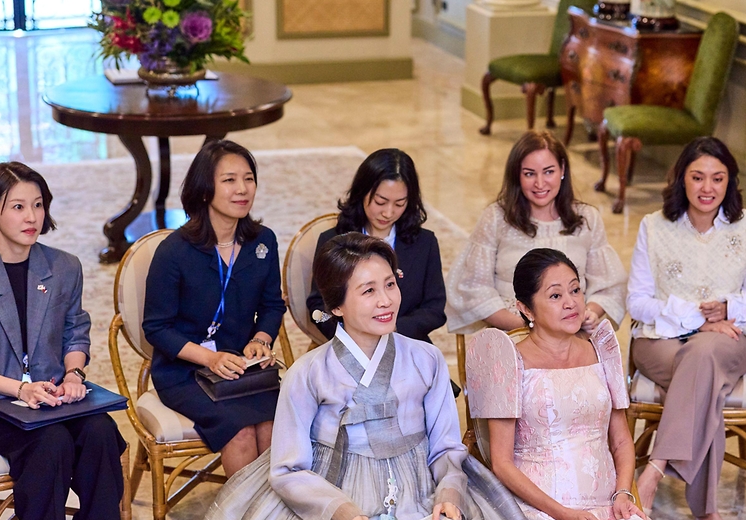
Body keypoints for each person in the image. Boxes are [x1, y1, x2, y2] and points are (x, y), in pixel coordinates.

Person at [173, 233, 559, 520]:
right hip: (336, 496)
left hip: (421, 496)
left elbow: (446, 447)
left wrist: (450, 491)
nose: (386, 300)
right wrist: (338, 512)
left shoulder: (427, 359)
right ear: (337, 306)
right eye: (369, 290)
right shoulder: (308, 373)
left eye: (390, 284)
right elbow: (288, 468)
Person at [466, 248, 691, 520]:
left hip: (607, 500)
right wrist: (566, 515)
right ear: (525, 308)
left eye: (575, 289)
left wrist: (623, 492)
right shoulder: (510, 360)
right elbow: (502, 464)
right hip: (543, 507)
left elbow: (620, 439)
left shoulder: (600, 349)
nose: (571, 303)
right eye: (555, 295)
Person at [0, 163, 126, 520]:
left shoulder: (63, 267)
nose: (31, 217)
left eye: (38, 205)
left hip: (56, 397)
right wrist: (20, 389)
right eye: (17, 206)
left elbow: (76, 332)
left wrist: (74, 374)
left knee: (100, 432)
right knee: (52, 443)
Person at [627, 136, 746, 520]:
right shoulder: (653, 226)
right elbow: (637, 302)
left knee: (703, 357)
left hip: (727, 342)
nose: (708, 188)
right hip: (659, 342)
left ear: (730, 182)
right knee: (703, 375)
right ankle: (706, 509)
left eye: (718, 178)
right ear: (681, 179)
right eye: (698, 177)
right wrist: (699, 319)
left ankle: (654, 467)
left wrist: (726, 306)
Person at [143, 140, 286, 478]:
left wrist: (261, 339)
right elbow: (157, 328)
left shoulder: (263, 241)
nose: (242, 189)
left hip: (241, 366)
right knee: (239, 433)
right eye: (229, 180)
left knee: (275, 425)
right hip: (185, 373)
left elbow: (271, 305)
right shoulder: (174, 252)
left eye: (248, 179)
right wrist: (210, 358)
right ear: (205, 189)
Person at [446, 130, 627, 335]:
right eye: (529, 174)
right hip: (515, 333)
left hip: (572, 333)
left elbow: (608, 286)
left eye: (548, 171)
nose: (540, 184)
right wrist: (530, 327)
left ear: (562, 169)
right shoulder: (495, 218)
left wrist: (589, 313)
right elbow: (475, 290)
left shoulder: (587, 218)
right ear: (517, 175)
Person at [306, 148, 446, 343]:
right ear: (362, 193)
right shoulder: (334, 241)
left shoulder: (425, 243)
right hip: (350, 346)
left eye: (399, 204)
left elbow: (434, 310)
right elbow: (318, 307)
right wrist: (352, 334)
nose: (388, 213)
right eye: (380, 202)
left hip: (408, 344)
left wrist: (390, 328)